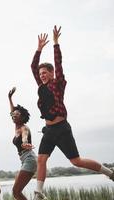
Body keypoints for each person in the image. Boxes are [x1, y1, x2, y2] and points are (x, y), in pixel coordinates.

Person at [30, 25, 114, 200]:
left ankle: (109, 172)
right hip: (49, 130)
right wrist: (38, 49)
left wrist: (55, 43)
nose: (42, 75)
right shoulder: (41, 87)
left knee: (76, 162)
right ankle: (39, 192)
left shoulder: (58, 83)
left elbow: (59, 63)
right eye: (41, 74)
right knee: (41, 160)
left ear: (52, 73)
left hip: (61, 128)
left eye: (45, 73)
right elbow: (33, 67)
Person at [8, 87, 37, 200]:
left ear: (22, 117)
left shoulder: (24, 128)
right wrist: (10, 98)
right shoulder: (16, 126)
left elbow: (24, 137)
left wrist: (25, 143)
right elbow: (12, 111)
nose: (14, 116)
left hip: (29, 158)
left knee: (16, 191)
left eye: (16, 115)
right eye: (13, 115)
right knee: (16, 192)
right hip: (25, 159)